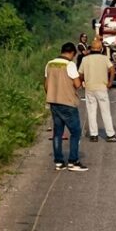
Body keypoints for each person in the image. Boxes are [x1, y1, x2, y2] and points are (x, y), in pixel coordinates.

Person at [45, 42, 87, 171]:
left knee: (58, 133)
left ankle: (59, 162)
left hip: (54, 102)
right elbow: (77, 84)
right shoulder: (70, 65)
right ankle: (73, 162)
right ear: (72, 53)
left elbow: (46, 85)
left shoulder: (50, 64)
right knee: (75, 132)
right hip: (67, 103)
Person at [80, 39, 116, 142]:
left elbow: (80, 73)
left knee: (91, 111)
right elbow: (112, 69)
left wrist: (83, 82)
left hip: (89, 88)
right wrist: (110, 82)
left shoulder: (85, 59)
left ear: (91, 48)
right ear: (101, 48)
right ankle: (110, 135)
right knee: (105, 112)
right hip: (102, 88)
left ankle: (94, 135)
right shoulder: (104, 58)